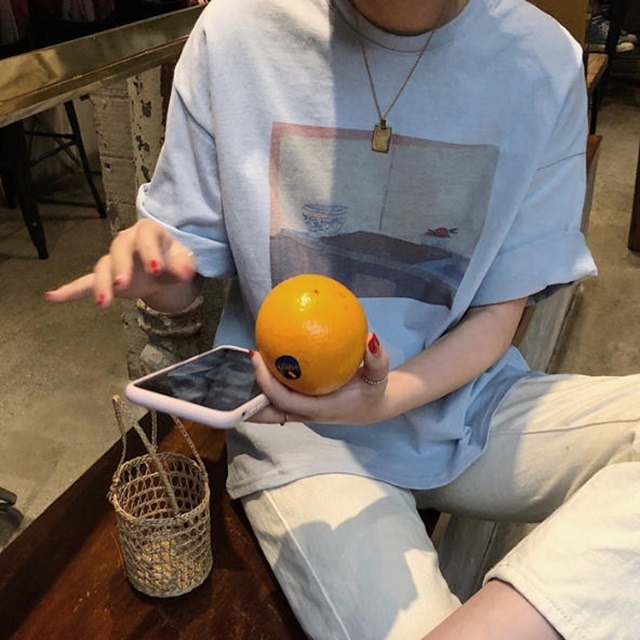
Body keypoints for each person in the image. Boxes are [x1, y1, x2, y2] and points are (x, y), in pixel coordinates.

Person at [46, 0, 640, 638]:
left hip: (463, 405)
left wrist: (386, 397)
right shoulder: (237, 32)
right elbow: (180, 280)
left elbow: (500, 311)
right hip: (298, 429)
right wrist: (158, 278)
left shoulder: (542, 61)